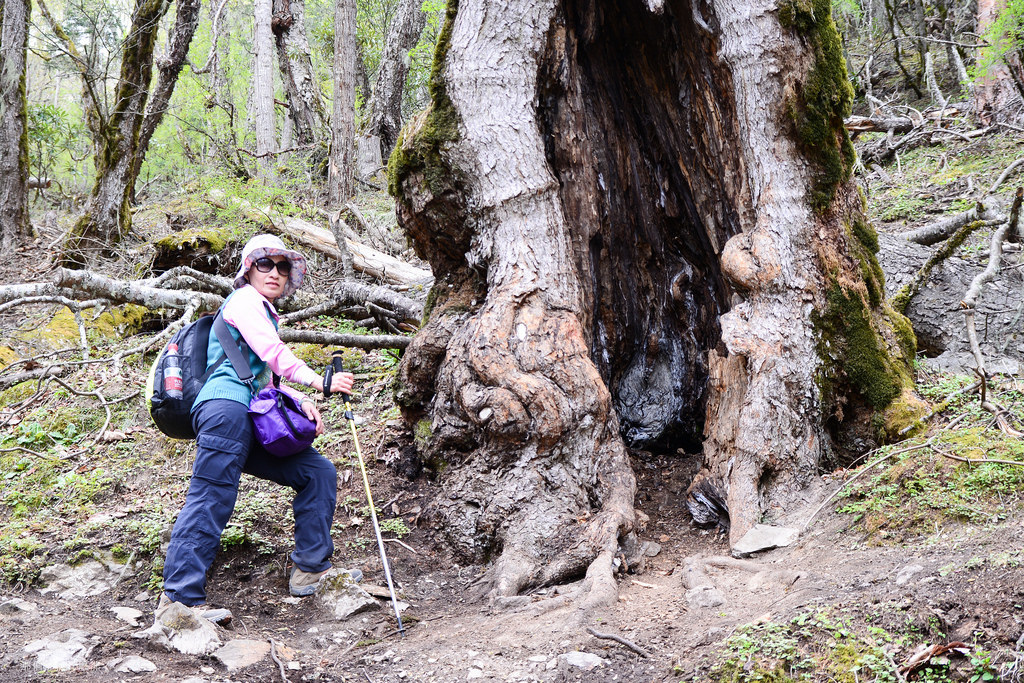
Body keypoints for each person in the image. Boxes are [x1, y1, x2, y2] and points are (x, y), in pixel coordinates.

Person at [157, 234, 355, 625]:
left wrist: (300, 402)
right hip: (224, 411)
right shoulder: (246, 302)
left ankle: (310, 569)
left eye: (283, 267)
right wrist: (322, 382)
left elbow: (261, 380)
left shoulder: (261, 310)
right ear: (248, 269)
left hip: (245, 417)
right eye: (265, 264)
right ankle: (178, 601)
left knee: (317, 472)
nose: (275, 273)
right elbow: (273, 354)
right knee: (212, 495)